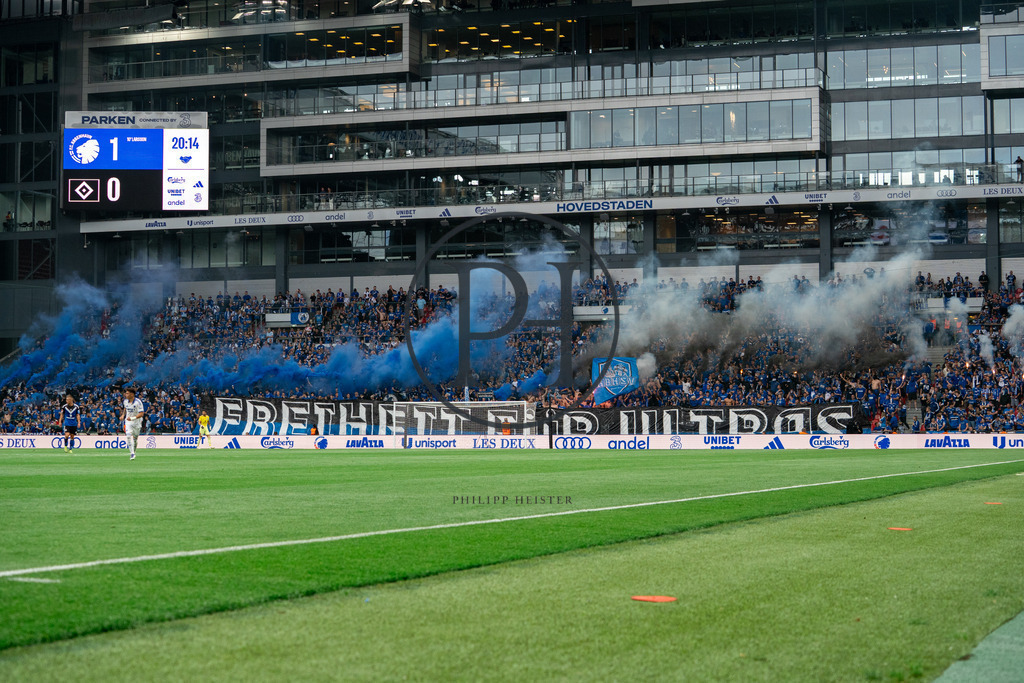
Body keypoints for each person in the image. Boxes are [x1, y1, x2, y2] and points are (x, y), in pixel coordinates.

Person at [121, 387, 145, 461]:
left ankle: (134, 451)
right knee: (128, 435)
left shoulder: (138, 402)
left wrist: (132, 418)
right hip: (128, 421)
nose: (126, 394)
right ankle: (132, 453)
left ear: (132, 394)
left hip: (137, 422)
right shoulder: (125, 401)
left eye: (127, 393)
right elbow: (125, 408)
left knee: (135, 439)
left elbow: (141, 414)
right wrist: (123, 415)